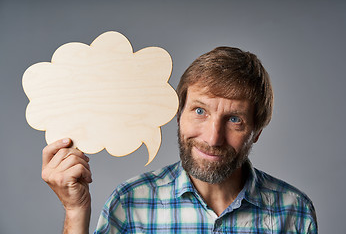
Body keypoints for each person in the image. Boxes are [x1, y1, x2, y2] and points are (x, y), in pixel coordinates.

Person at [42, 47, 317, 233]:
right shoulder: (129, 202)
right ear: (177, 113)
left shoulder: (294, 210)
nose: (212, 138)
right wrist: (75, 210)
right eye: (200, 111)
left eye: (234, 119)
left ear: (256, 131)